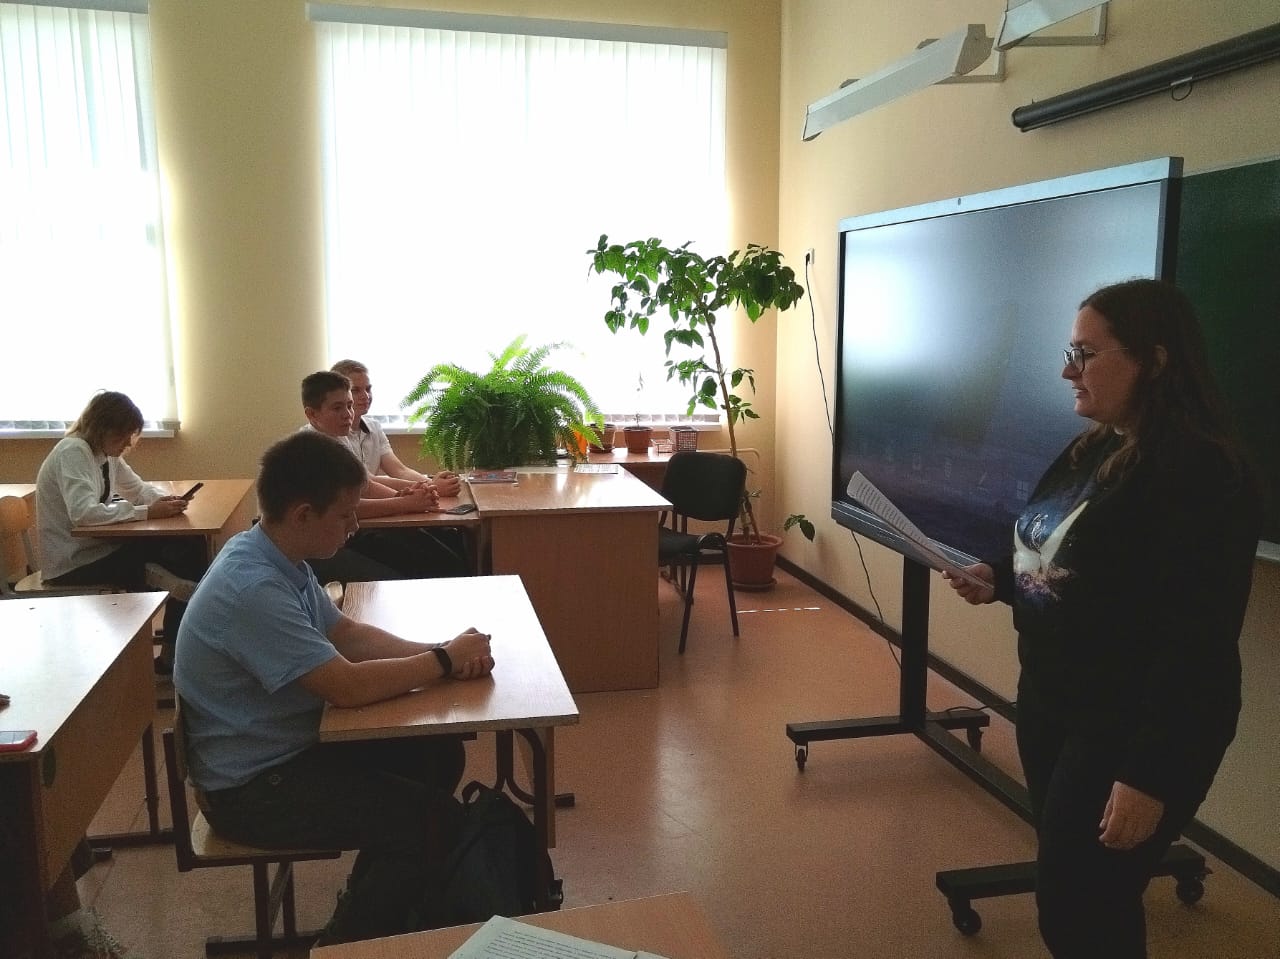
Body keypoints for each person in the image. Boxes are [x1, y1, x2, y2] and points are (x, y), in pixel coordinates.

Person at [945, 279, 1261, 958]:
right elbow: (1061, 553)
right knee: (1079, 895)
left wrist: (1149, 774)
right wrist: (997, 578)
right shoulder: (1093, 448)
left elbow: (1197, 642)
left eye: (1085, 354)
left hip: (1128, 725)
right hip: (1054, 702)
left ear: (1155, 360)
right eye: (1071, 352)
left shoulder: (1201, 473)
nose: (1069, 371)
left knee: (1081, 909)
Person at [173, 430, 494, 943]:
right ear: (303, 514)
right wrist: (440, 661)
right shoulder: (252, 587)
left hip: (285, 748)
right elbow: (344, 686)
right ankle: (345, 944)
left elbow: (347, 633)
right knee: (433, 822)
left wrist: (440, 653)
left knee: (437, 755)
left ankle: (378, 900)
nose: (354, 526)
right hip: (252, 789)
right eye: (345, 515)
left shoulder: (275, 554)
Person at [35, 390, 204, 672]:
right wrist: (148, 512)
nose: (128, 443)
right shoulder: (73, 452)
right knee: (172, 553)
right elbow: (83, 513)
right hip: (73, 562)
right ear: (101, 429)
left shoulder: (105, 453)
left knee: (190, 544)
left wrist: (165, 501)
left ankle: (173, 642)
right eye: (122, 435)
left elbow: (137, 489)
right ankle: (176, 604)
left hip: (96, 548)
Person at [302, 370, 468, 582]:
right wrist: (406, 503)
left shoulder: (338, 440)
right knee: (397, 579)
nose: (347, 414)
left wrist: (409, 495)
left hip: (346, 535)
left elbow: (367, 484)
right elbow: (346, 508)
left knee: (445, 553)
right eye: (337, 408)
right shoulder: (310, 450)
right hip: (316, 549)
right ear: (312, 414)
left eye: (349, 406)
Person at [329, 358, 462, 497]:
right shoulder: (331, 434)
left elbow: (399, 470)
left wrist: (432, 483)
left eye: (368, 389)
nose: (365, 396)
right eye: (355, 390)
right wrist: (431, 487)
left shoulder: (374, 427)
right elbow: (368, 482)